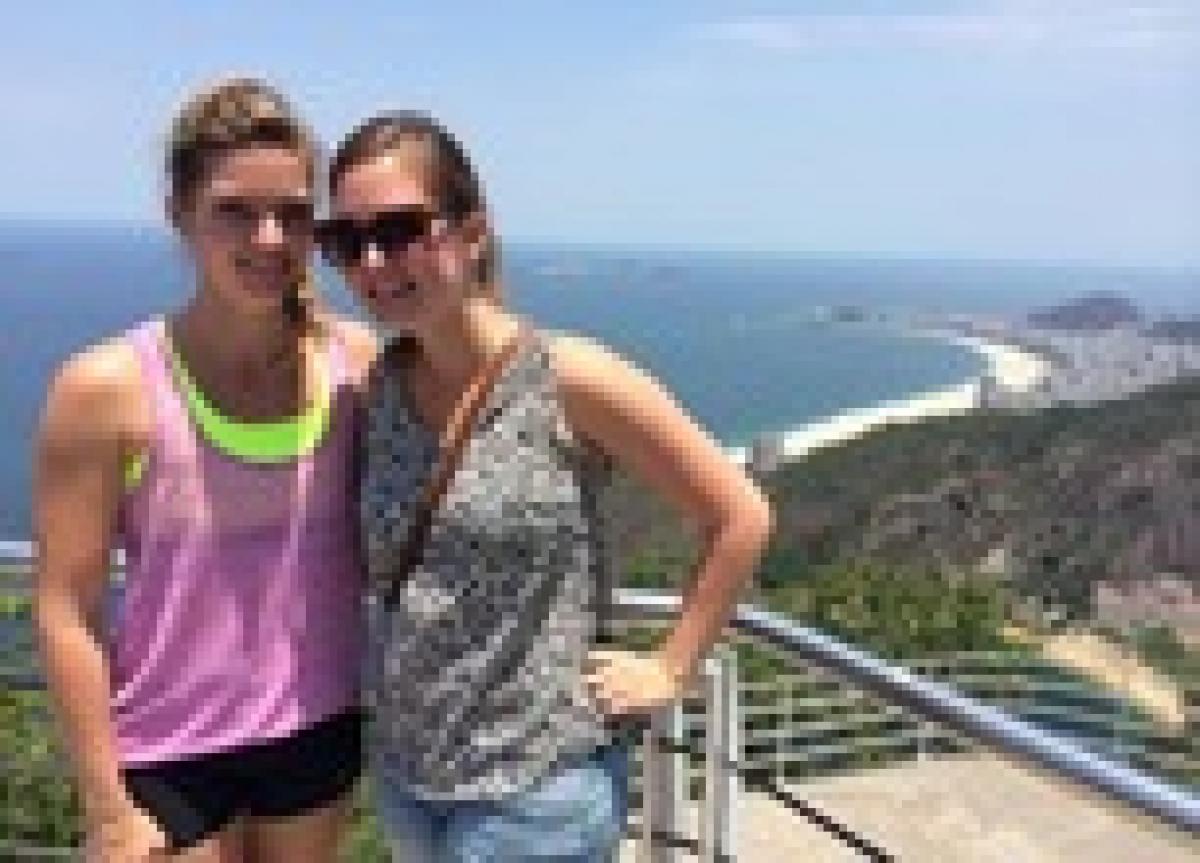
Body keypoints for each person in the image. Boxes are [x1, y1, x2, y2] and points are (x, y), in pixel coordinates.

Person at [319, 111, 773, 862]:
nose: (374, 260)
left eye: (401, 229)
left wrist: (671, 665)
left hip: (537, 790)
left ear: (472, 232)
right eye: (347, 241)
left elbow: (739, 514)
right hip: (409, 778)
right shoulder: (381, 385)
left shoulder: (567, 379)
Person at [32, 77, 375, 862]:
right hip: (167, 746)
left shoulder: (353, 364)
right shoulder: (109, 388)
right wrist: (106, 807)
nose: (267, 239)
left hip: (314, 725)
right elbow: (66, 608)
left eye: (292, 214)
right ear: (179, 213)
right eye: (235, 211)